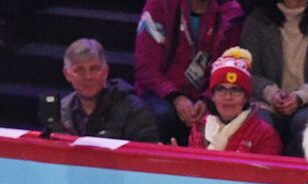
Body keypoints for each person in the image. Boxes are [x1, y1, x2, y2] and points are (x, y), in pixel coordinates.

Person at [238, 0, 308, 150]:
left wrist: (301, 96)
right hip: (266, 101)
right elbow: (248, 69)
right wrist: (271, 93)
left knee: (307, 123)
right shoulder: (257, 19)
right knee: (259, 124)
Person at [134, 0, 246, 144]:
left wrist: (207, 99)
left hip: (209, 93)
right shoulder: (160, 5)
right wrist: (175, 96)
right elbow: (145, 67)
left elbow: (229, 65)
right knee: (163, 114)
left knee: (228, 111)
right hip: (161, 92)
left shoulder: (230, 13)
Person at [57, 38, 160, 142]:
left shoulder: (134, 110)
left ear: (105, 72)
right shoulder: (61, 112)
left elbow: (147, 153)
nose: (88, 76)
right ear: (67, 74)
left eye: (94, 68)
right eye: (79, 70)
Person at [188, 48, 284, 152]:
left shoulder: (265, 135)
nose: (228, 97)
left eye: (235, 90)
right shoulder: (199, 129)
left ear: (246, 97)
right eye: (221, 89)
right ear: (213, 97)